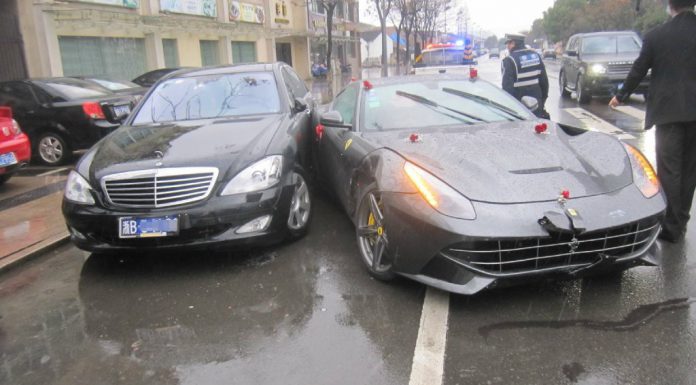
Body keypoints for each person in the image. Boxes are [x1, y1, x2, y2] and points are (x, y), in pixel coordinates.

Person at [609, 0, 696, 243]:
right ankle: (681, 219)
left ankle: (670, 227)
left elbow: (640, 68)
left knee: (669, 170)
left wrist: (621, 95)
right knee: (690, 170)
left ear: (671, 6)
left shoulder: (657, 36)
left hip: (668, 113)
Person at [501, 33, 550, 119]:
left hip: (518, 108)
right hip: (537, 106)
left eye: (509, 43)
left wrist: (509, 108)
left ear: (514, 43)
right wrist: (542, 102)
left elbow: (507, 88)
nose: (507, 46)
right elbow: (544, 82)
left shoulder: (509, 60)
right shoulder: (536, 56)